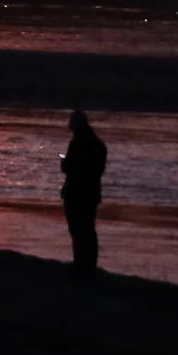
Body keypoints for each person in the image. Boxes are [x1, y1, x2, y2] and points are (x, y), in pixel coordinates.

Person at [63, 108, 108, 274]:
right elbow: (98, 170)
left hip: (77, 193)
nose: (70, 127)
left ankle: (82, 265)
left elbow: (71, 167)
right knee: (87, 230)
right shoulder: (98, 145)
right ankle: (88, 265)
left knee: (79, 229)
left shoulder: (78, 143)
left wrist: (66, 164)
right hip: (90, 194)